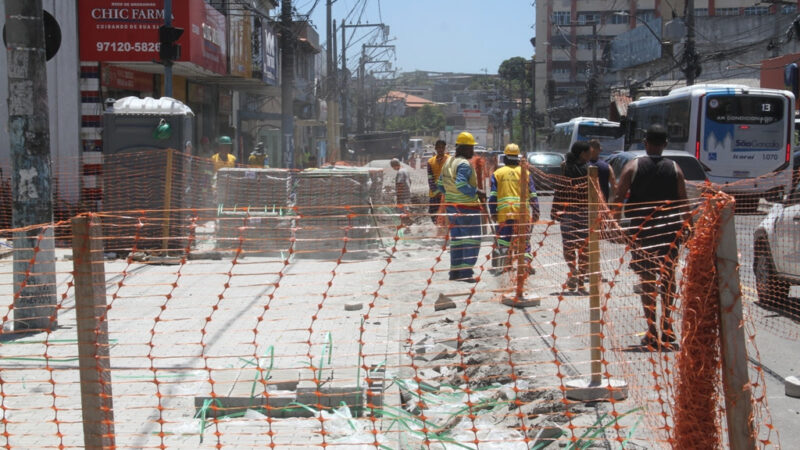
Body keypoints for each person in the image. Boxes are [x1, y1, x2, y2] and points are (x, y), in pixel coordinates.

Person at [614, 124, 689, 349]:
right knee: (668, 278)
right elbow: (684, 201)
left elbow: (618, 197)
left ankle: (652, 330)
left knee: (647, 280)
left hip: (643, 231)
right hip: (670, 231)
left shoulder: (632, 166)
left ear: (646, 143)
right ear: (665, 144)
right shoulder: (676, 168)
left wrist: (615, 225)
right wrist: (690, 228)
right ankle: (667, 327)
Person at [437, 132, 484, 282]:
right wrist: (477, 192)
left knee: (457, 240)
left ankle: (455, 272)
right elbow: (461, 184)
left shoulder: (448, 162)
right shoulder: (464, 164)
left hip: (452, 207)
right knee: (471, 239)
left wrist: (451, 195)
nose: (473, 152)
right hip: (467, 207)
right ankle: (465, 273)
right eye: (471, 148)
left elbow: (440, 185)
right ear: (463, 148)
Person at [488, 143, 540, 274]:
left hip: (505, 215)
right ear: (518, 158)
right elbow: (533, 194)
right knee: (524, 241)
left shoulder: (498, 173)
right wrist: (536, 211)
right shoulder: (525, 173)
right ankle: (526, 263)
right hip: (522, 214)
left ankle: (507, 264)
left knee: (504, 241)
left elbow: (493, 196)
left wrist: (493, 212)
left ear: (505, 158)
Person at [556, 141, 591, 293]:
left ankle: (573, 271)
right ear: (582, 153)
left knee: (568, 246)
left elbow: (559, 189)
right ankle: (581, 282)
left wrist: (555, 210)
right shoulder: (590, 170)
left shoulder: (564, 167)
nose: (590, 155)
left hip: (567, 212)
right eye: (588, 152)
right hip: (584, 212)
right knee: (584, 248)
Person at [427, 140, 450, 224]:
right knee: (433, 213)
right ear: (435, 148)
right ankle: (438, 228)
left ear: (444, 148)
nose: (440, 149)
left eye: (442, 147)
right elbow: (430, 178)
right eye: (439, 147)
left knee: (446, 213)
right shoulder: (430, 161)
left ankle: (445, 231)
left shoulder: (449, 159)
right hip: (434, 193)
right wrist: (436, 191)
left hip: (447, 193)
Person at [391, 158, 413, 226]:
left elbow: (399, 184)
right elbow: (410, 181)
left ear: (394, 165)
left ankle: (406, 226)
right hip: (407, 195)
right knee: (406, 211)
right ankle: (408, 226)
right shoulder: (406, 170)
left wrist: (399, 198)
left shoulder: (400, 172)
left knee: (402, 213)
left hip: (402, 197)